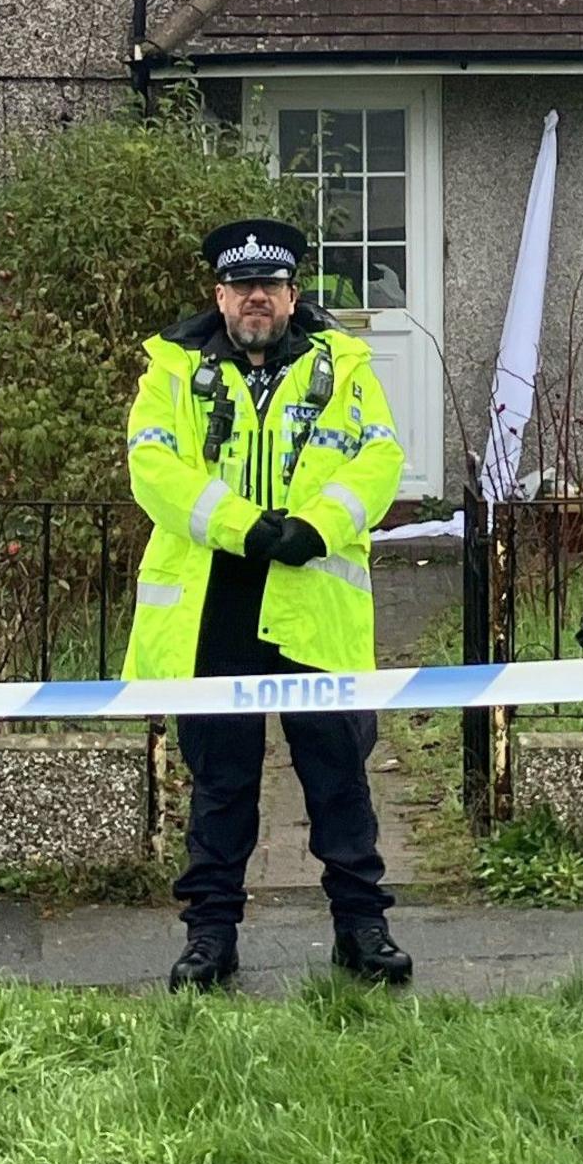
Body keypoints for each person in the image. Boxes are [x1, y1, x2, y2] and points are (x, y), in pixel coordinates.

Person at [122, 217, 411, 991]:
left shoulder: (342, 365)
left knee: (339, 775)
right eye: (242, 286)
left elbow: (380, 457)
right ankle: (210, 939)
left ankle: (363, 930)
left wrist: (316, 526)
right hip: (214, 604)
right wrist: (245, 527)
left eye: (271, 286)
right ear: (220, 295)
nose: (257, 298)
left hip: (312, 597)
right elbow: (154, 469)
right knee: (221, 785)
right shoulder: (171, 370)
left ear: (292, 295)